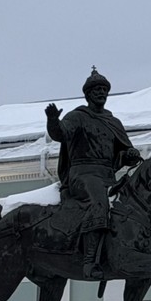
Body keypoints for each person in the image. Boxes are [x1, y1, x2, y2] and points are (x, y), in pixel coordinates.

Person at [45, 69, 142, 278]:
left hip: (107, 175)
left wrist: (130, 154)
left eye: (104, 89)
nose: (101, 93)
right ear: (88, 94)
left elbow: (123, 152)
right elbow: (60, 134)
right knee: (99, 203)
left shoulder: (113, 122)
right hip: (82, 175)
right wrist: (53, 120)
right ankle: (90, 261)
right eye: (96, 89)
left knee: (136, 204)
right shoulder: (78, 117)